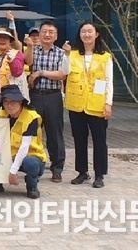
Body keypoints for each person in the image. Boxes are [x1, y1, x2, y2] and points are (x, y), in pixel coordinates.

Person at [63, 22, 113, 188]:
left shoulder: (105, 56)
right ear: (80, 35)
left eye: (90, 31)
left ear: (96, 34)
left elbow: (108, 81)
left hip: (97, 104)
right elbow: (64, 72)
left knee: (99, 141)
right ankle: (82, 172)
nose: (86, 34)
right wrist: (66, 55)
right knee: (79, 139)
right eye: (83, 31)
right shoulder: (73, 54)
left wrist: (108, 103)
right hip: (76, 104)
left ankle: (99, 175)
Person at [25, 20, 69, 183]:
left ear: (56, 36)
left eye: (51, 32)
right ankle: (32, 165)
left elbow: (62, 74)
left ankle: (57, 168)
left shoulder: (61, 53)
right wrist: (29, 47)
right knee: (32, 131)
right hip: (35, 95)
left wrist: (40, 73)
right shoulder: (33, 50)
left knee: (55, 133)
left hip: (53, 96)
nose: (47, 34)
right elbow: (28, 63)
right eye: (44, 31)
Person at [0, 85, 47, 199]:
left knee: (31, 164)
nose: (9, 105)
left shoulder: (31, 117)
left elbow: (24, 147)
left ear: (20, 102)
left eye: (13, 102)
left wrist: (13, 171)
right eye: (6, 102)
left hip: (30, 155)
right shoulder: (1, 114)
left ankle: (32, 186)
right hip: (9, 155)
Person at [0, 26, 26, 119]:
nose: (2, 40)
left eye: (5, 37)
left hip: (9, 100)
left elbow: (17, 72)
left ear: (10, 40)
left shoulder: (16, 53)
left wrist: (12, 61)